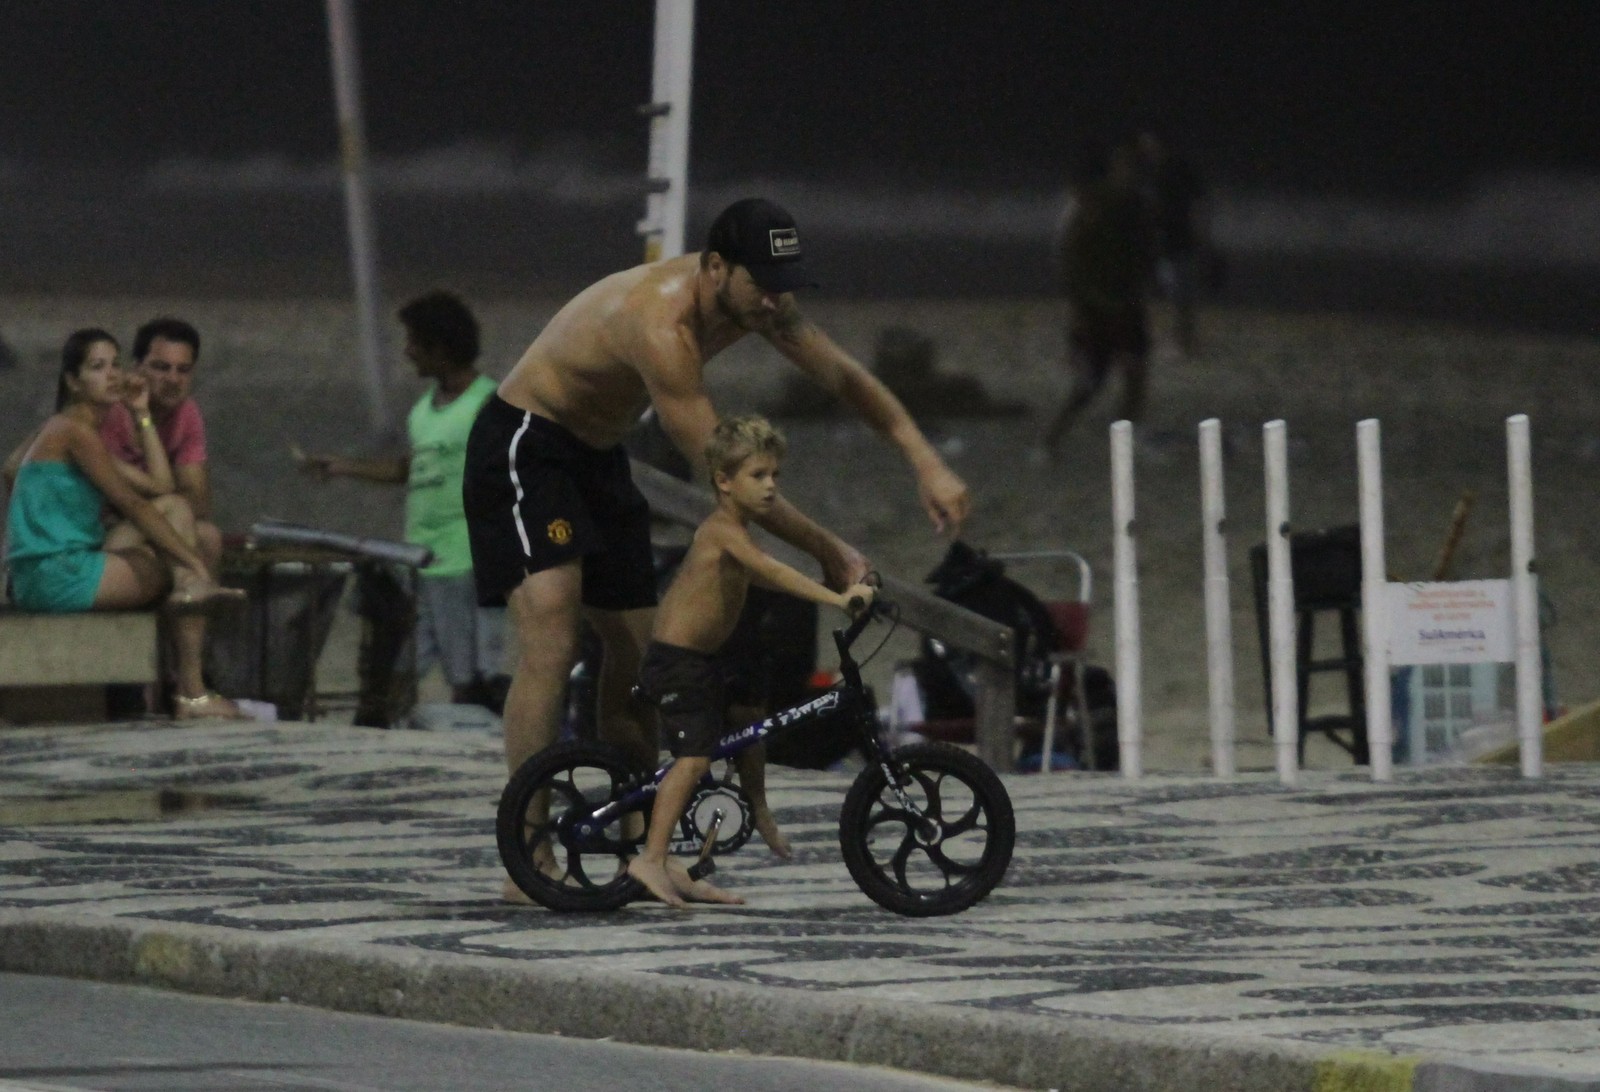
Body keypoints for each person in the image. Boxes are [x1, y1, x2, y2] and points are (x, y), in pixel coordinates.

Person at [463, 197, 967, 899]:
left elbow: (845, 378)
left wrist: (925, 459)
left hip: (599, 456)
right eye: (760, 281)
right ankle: (529, 853)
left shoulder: (763, 305)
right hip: (527, 444)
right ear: (715, 268)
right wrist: (827, 548)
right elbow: (729, 476)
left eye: (783, 281)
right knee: (552, 626)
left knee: (644, 659)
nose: (774, 299)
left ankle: (646, 845)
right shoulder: (660, 323)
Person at [627, 415, 874, 907]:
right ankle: (649, 858)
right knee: (694, 758)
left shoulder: (737, 532)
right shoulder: (722, 531)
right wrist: (837, 598)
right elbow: (769, 568)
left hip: (704, 660)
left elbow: (752, 578)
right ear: (723, 481)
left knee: (750, 719)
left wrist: (836, 589)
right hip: (677, 662)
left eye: (775, 477)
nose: (770, 488)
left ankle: (754, 810)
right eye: (758, 477)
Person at [3, 328, 244, 718]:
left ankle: (182, 682)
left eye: (115, 364)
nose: (112, 374)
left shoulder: (67, 429)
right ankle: (191, 691)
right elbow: (134, 505)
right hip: (60, 577)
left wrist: (143, 415)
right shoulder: (74, 432)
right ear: (72, 381)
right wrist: (194, 565)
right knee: (185, 542)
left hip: (44, 572)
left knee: (176, 511)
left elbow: (161, 487)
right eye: (98, 367)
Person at [299, 290, 508, 715]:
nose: (408, 352)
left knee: (468, 674)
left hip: (467, 560)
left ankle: (480, 756)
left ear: (441, 346)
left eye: (415, 342)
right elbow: (407, 469)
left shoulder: (488, 403)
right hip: (421, 560)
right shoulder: (422, 412)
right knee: (404, 665)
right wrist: (341, 467)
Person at [1041, 140, 1159, 452]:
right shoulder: (1091, 206)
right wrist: (1079, 304)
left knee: (1136, 374)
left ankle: (1122, 442)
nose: (1129, 174)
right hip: (1097, 305)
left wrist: (1143, 284)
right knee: (1091, 380)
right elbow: (1069, 257)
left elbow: (1146, 251)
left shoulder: (1137, 206)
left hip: (1126, 302)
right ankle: (1053, 438)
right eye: (1124, 168)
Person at [1136, 131, 1212, 358]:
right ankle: (1185, 340)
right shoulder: (1177, 167)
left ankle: (1183, 343)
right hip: (1180, 238)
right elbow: (1199, 202)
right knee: (1181, 293)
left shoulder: (1167, 170)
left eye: (1148, 143)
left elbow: (1170, 207)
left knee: (1179, 293)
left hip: (1174, 239)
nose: (1145, 149)